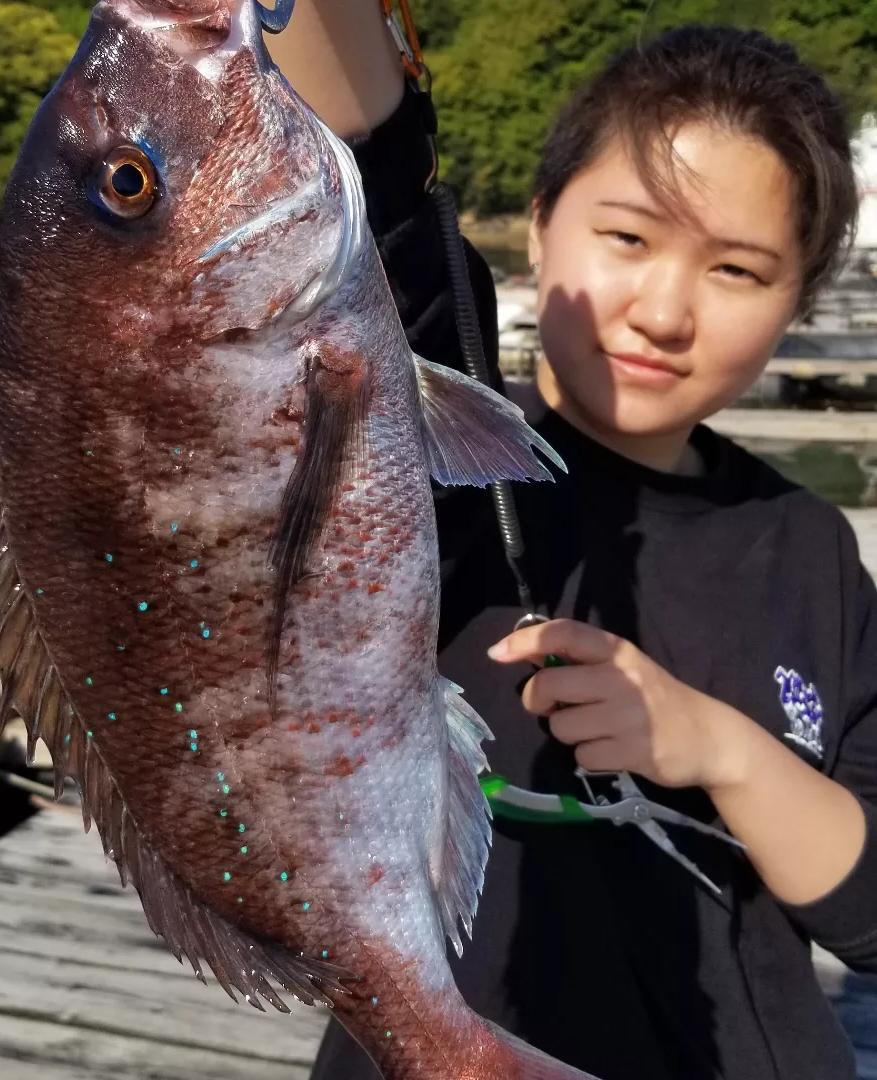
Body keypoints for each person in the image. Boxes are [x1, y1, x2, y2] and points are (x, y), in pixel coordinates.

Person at [268, 8, 877, 1080]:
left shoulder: (809, 547)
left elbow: (869, 918)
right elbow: (371, 156)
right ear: (541, 227)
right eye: (628, 238)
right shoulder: (427, 453)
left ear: (796, 302)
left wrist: (716, 748)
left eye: (738, 270)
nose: (665, 311)